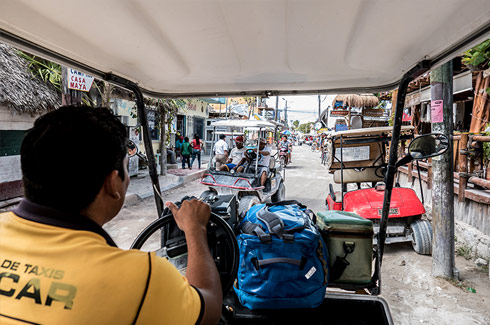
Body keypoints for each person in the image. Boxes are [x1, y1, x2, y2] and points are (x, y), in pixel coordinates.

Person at [0, 106, 221, 324]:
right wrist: (195, 229)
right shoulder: (141, 277)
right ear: (113, 183)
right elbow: (209, 309)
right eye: (126, 167)